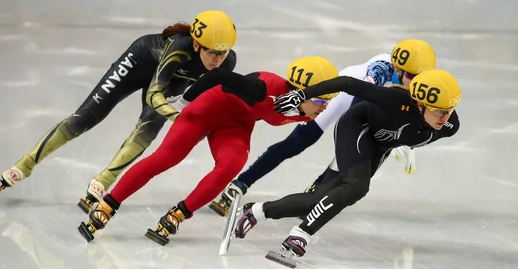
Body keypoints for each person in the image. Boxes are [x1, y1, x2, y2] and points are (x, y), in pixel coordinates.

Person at [0, 10, 238, 214]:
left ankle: (103, 181)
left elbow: (206, 96)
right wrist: (181, 117)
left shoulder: (227, 62)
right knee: (86, 116)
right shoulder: (178, 47)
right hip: (140, 62)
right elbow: (154, 95)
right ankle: (24, 165)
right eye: (212, 52)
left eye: (223, 52)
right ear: (196, 44)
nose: (218, 59)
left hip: (174, 81)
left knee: (148, 131)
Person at [77, 56, 340, 244]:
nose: (324, 107)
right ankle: (109, 205)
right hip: (207, 108)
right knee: (166, 159)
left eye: (328, 100)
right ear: (299, 92)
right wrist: (184, 101)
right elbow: (218, 75)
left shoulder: (307, 110)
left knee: (232, 165)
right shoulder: (263, 89)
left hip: (236, 124)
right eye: (320, 100)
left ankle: (178, 214)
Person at [235, 69, 462, 267]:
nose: (444, 117)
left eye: (449, 110)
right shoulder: (394, 100)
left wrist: (406, 144)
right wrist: (301, 94)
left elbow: (411, 132)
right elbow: (347, 83)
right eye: (439, 111)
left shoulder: (450, 126)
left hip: (380, 146)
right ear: (421, 104)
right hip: (358, 126)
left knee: (320, 200)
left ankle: (259, 211)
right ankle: (300, 234)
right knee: (356, 187)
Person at [210, 39, 436, 217]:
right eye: (413, 77)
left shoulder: (419, 82)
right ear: (398, 69)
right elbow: (360, 109)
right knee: (299, 142)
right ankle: (240, 184)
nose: (417, 82)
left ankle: (315, 193)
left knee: (359, 157)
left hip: (374, 103)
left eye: (421, 77)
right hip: (345, 94)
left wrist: (406, 140)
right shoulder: (380, 70)